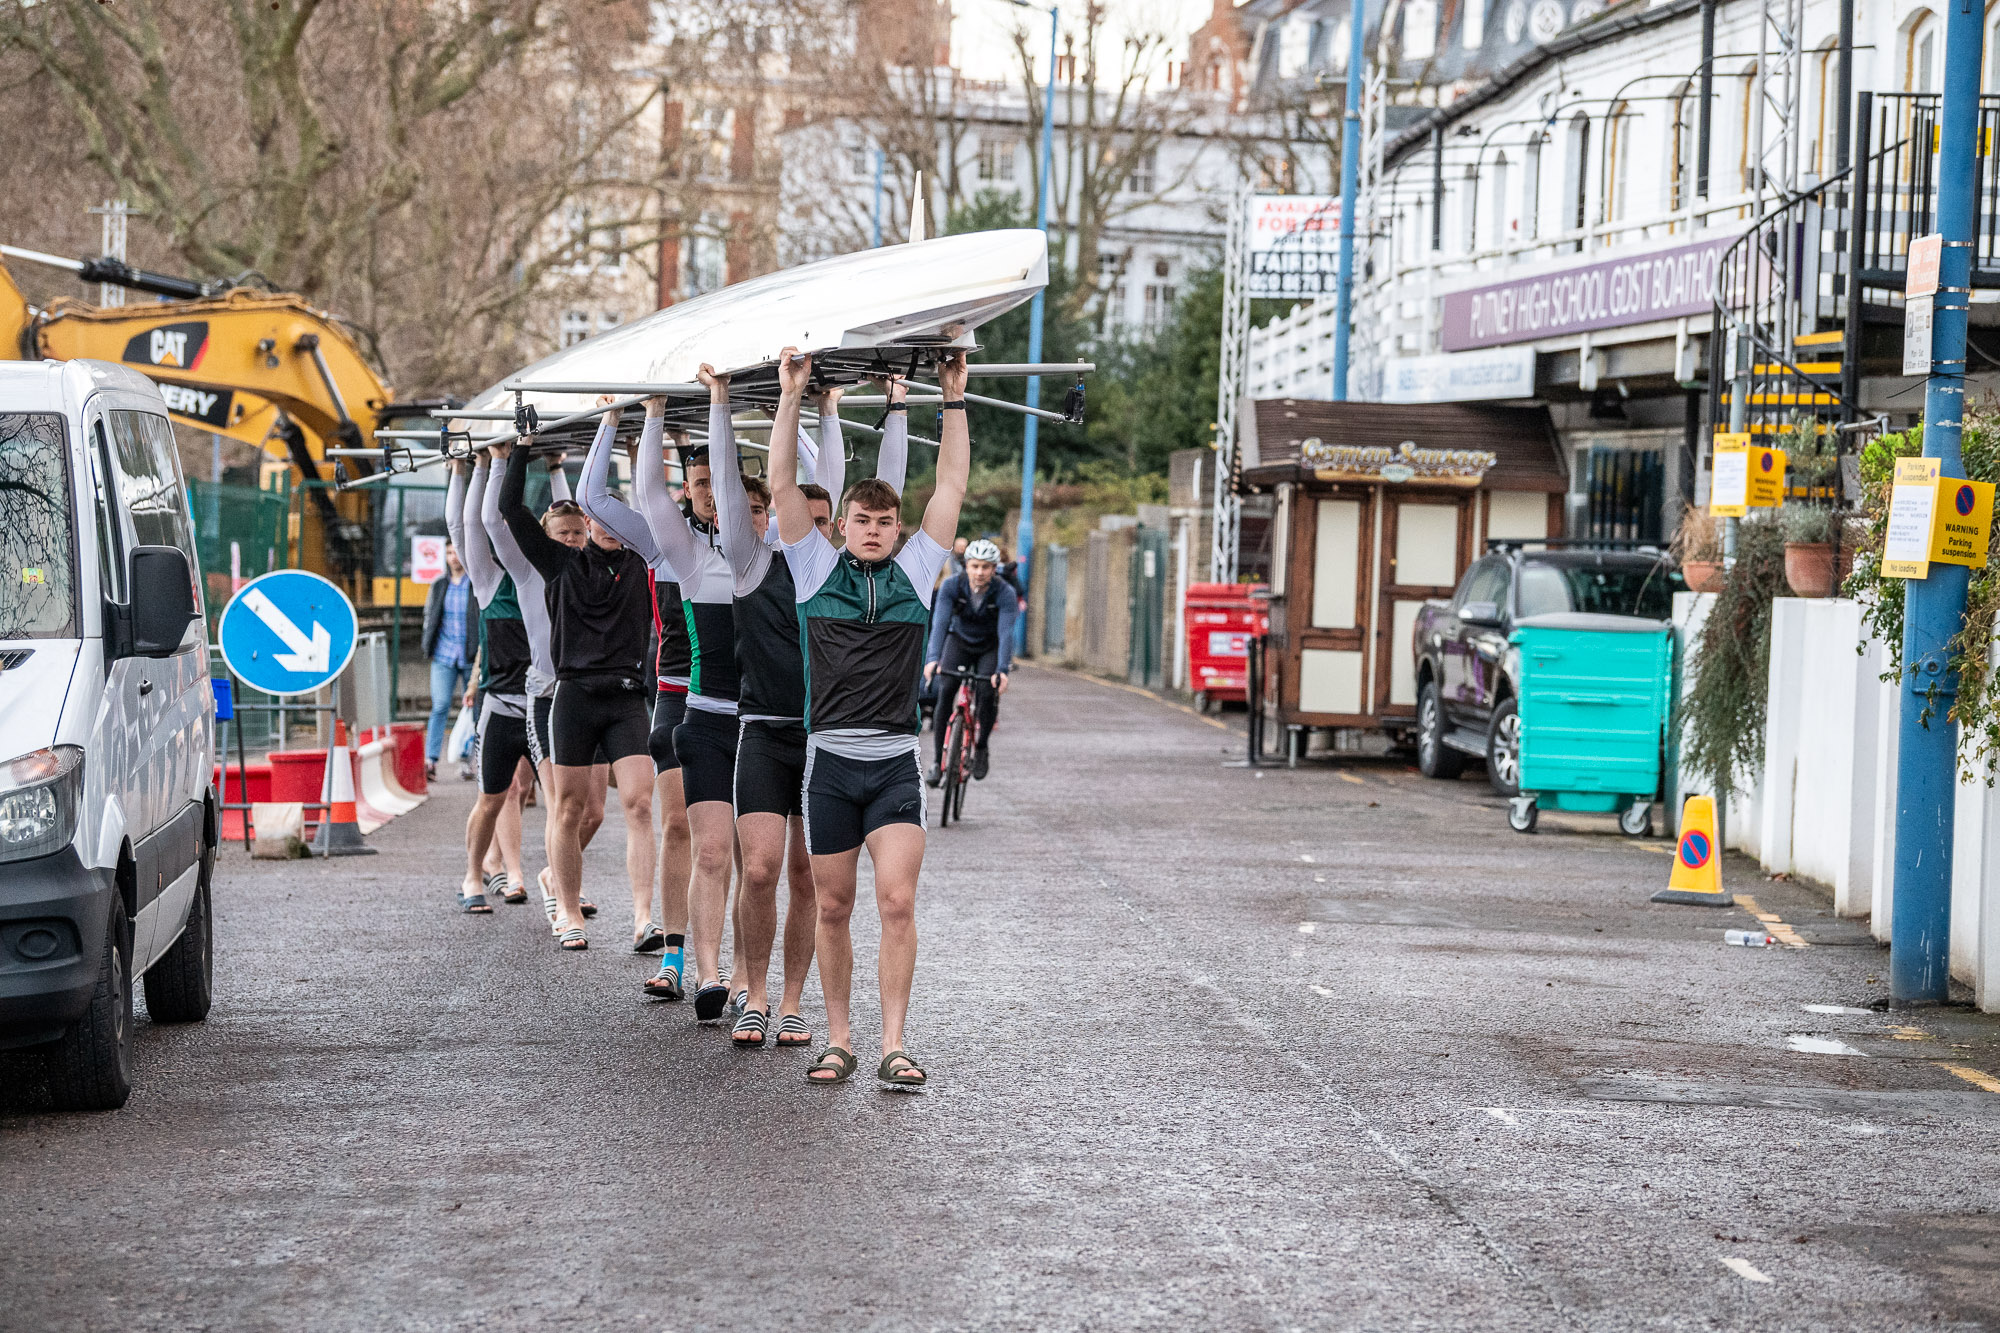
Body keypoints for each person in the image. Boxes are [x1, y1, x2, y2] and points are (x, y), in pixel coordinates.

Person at [768, 346, 970, 1091]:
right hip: (828, 764)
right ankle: (840, 1038)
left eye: (887, 521)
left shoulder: (919, 572)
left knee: (896, 899)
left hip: (890, 761)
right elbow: (784, 482)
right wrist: (792, 395)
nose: (878, 530)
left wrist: (953, 400)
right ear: (845, 524)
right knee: (832, 904)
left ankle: (893, 1042)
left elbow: (950, 482)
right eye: (865, 520)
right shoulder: (815, 570)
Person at [702, 371, 911, 1048]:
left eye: (828, 524)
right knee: (758, 867)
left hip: (826, 741)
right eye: (810, 524)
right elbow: (763, 485)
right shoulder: (756, 562)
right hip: (766, 730)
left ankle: (793, 1000)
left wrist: (856, 407)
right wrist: (730, 403)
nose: (816, 534)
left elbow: (874, 489)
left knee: (807, 877)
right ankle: (753, 989)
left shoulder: (843, 574)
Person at [499, 407, 656, 952]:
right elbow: (510, 509)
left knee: (638, 803)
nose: (612, 526)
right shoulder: (560, 563)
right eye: (600, 516)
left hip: (628, 696)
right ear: (588, 522)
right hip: (573, 696)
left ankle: (642, 919)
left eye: (620, 516)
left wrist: (651, 438)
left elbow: (656, 494)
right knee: (568, 809)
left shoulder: (644, 560)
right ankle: (568, 912)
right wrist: (523, 444)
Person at [445, 457, 535, 913]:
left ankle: (543, 877)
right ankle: (474, 872)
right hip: (499, 699)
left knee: (567, 802)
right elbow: (469, 524)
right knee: (494, 797)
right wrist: (478, 467)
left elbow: (572, 523)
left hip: (543, 700)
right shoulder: (490, 581)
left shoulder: (545, 578)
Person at [924, 538, 1018, 784]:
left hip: (989, 646)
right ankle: (937, 761)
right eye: (975, 566)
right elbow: (940, 624)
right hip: (960, 642)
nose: (980, 572)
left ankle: (982, 747)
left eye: (986, 567)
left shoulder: (1005, 593)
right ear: (966, 565)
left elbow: (1006, 633)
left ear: (994, 568)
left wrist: (1002, 670)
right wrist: (933, 659)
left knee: (987, 691)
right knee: (945, 690)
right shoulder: (951, 586)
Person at [422, 541, 479, 780]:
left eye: (456, 552)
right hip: (444, 655)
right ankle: (430, 761)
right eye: (448, 553)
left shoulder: (475, 584)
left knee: (474, 708)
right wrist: (428, 645)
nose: (453, 557)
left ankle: (468, 760)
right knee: (440, 706)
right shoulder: (439, 585)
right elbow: (430, 616)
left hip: (469, 654)